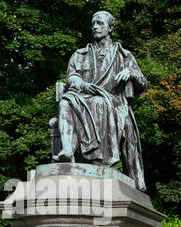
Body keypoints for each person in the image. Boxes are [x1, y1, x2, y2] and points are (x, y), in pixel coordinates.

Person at [54, 11, 147, 192]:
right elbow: (71, 76)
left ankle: (98, 160)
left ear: (110, 28)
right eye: (93, 24)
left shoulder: (124, 56)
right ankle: (67, 151)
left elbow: (142, 84)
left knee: (99, 103)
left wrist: (132, 73)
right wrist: (80, 83)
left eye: (100, 23)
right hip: (83, 96)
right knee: (66, 101)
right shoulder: (80, 55)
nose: (95, 27)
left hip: (113, 101)